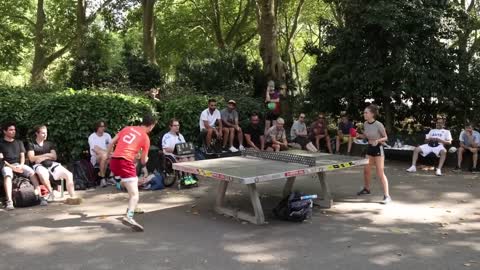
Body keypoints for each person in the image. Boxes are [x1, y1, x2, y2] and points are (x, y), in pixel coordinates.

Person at [107, 114, 157, 232]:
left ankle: (131, 203)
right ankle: (129, 217)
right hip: (125, 163)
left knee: (130, 185)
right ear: (151, 126)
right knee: (135, 194)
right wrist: (145, 159)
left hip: (114, 161)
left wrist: (108, 155)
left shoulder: (127, 128)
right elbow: (144, 161)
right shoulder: (145, 138)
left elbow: (111, 143)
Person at [27, 125, 82, 205]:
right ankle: (51, 193)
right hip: (39, 166)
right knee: (43, 174)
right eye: (43, 133)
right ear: (37, 133)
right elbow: (32, 158)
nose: (45, 135)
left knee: (69, 174)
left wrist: (42, 157)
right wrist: (48, 155)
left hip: (52, 164)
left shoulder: (49, 144)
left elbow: (54, 156)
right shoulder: (31, 144)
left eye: (46, 133)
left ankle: (72, 197)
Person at [0, 122, 44, 210]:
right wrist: (13, 168)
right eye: (11, 130)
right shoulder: (1, 143)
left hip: (19, 165)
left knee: (32, 172)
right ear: (5, 131)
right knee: (8, 175)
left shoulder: (19, 142)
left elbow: (23, 156)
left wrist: (21, 165)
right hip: (7, 165)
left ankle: (39, 196)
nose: (13, 131)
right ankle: (9, 201)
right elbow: (2, 159)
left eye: (14, 130)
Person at [356, 105, 391, 204]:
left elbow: (385, 137)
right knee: (366, 171)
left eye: (366, 112)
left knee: (380, 173)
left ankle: (387, 196)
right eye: (364, 112)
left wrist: (377, 140)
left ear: (372, 114)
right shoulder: (365, 124)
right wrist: (359, 135)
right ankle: (367, 189)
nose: (364, 114)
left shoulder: (378, 124)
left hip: (378, 149)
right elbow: (366, 136)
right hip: (370, 148)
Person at [162, 118, 197, 185]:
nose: (177, 127)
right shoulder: (166, 136)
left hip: (180, 155)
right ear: (170, 126)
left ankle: (190, 176)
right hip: (171, 155)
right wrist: (177, 150)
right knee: (185, 159)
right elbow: (166, 149)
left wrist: (184, 151)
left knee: (191, 158)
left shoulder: (180, 136)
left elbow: (184, 146)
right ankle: (186, 177)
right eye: (175, 125)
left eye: (178, 125)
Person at [88, 120, 113, 187]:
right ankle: (107, 178)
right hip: (95, 157)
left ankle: (103, 178)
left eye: (104, 126)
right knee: (104, 156)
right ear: (97, 127)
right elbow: (96, 150)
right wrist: (106, 152)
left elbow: (110, 147)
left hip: (106, 155)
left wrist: (106, 152)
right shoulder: (92, 137)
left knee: (108, 158)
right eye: (101, 126)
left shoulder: (107, 135)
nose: (103, 128)